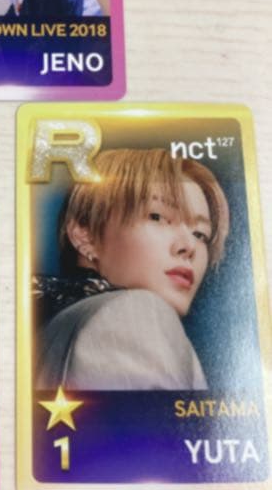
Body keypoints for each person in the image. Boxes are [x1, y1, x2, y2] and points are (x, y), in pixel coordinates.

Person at [35, 148, 229, 390]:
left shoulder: (48, 332)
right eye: (157, 217)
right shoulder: (135, 313)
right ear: (85, 235)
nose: (189, 247)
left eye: (200, 234)